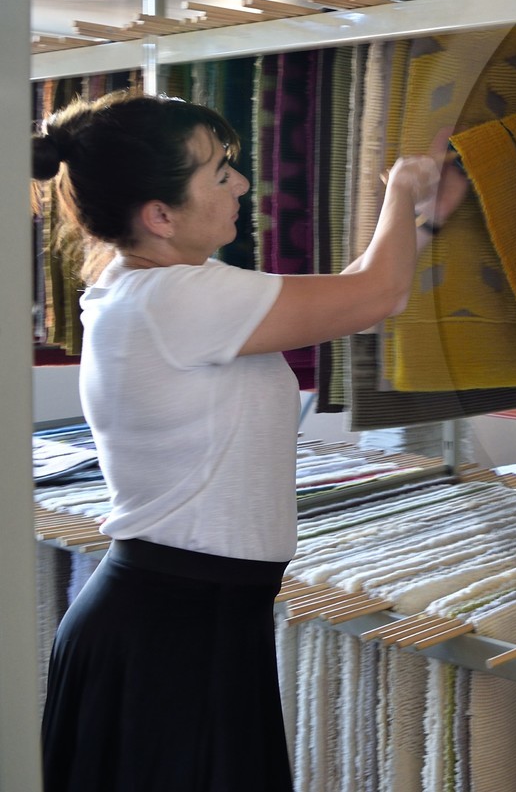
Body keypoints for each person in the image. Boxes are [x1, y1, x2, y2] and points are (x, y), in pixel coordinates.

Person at [32, 88, 468, 792]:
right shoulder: (175, 300)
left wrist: (422, 221)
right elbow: (373, 295)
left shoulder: (155, 286)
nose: (241, 182)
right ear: (160, 215)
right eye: (218, 171)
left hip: (186, 621)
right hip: (172, 633)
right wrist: (402, 189)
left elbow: (368, 289)